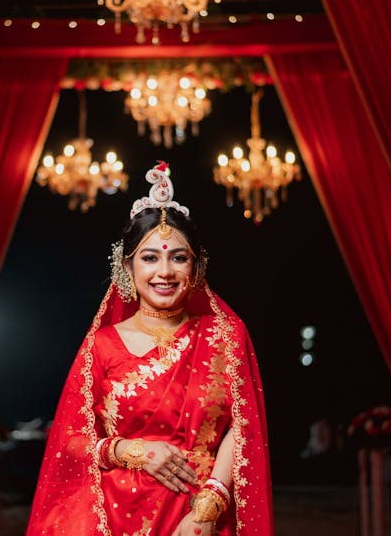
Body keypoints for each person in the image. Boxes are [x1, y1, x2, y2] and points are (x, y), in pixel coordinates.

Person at [26, 163, 273, 536]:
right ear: (128, 267)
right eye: (150, 257)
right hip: (115, 515)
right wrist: (130, 451)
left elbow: (244, 427)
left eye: (178, 257)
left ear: (196, 266)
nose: (164, 272)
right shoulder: (103, 345)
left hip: (200, 515)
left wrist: (208, 508)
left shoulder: (224, 335)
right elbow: (70, 441)